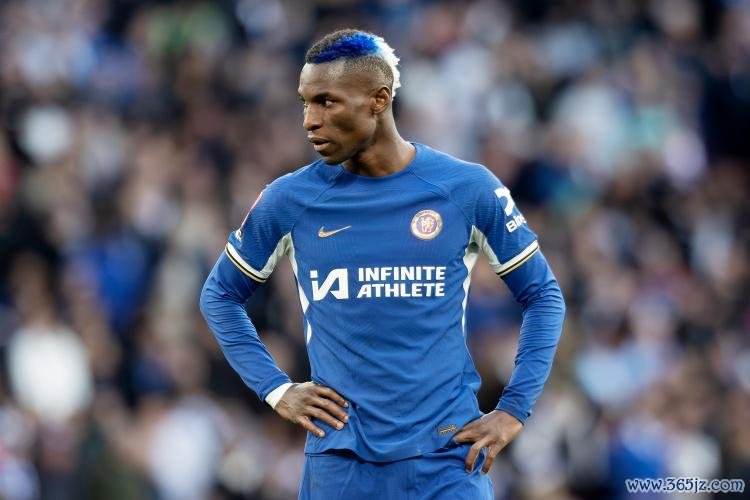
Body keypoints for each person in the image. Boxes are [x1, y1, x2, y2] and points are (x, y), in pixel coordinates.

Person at [200, 28, 565, 499]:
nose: (310, 120)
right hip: (341, 466)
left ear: (379, 99)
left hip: (447, 460)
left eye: (326, 102)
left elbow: (543, 294)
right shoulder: (289, 200)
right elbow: (219, 294)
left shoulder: (466, 188)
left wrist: (514, 408)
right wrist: (276, 389)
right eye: (305, 103)